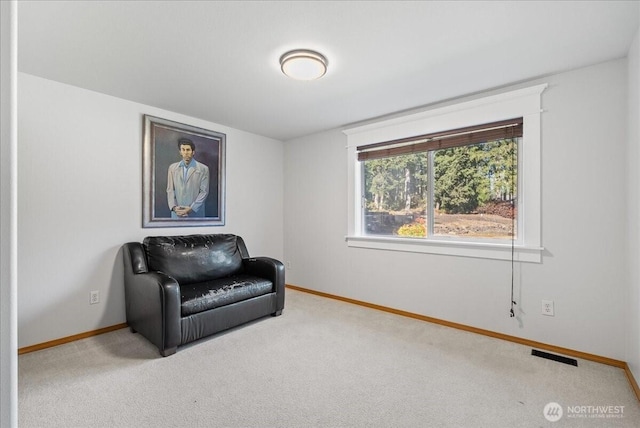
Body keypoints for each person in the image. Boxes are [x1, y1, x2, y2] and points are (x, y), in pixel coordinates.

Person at [167, 138, 209, 218]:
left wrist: (191, 208)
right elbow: (170, 190)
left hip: (195, 214)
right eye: (183, 150)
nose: (186, 153)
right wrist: (174, 208)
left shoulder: (203, 169)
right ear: (180, 152)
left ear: (193, 152)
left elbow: (204, 192)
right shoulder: (172, 168)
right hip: (177, 214)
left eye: (188, 150)